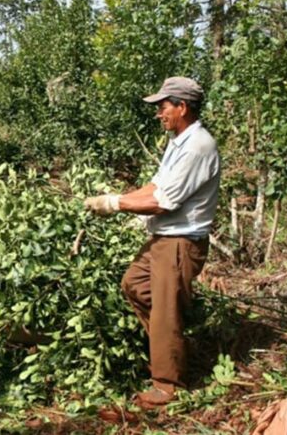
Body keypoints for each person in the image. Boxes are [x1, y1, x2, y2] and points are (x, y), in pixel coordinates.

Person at [84, 76, 221, 407]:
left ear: (182, 107)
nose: (159, 114)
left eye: (163, 107)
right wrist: (120, 200)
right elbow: (154, 187)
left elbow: (163, 202)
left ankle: (166, 385)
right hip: (164, 237)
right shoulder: (179, 142)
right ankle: (172, 348)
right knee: (134, 285)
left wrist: (116, 203)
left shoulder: (199, 147)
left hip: (180, 243)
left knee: (165, 311)